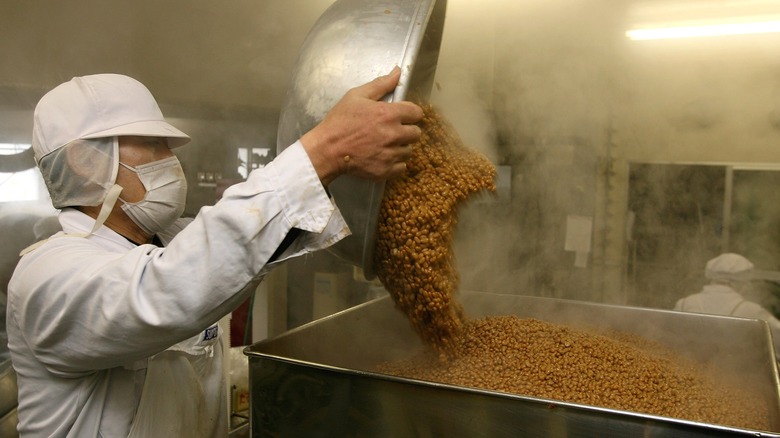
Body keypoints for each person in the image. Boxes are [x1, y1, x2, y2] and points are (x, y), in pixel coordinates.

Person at [6, 70, 422, 437]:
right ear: (83, 160)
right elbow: (166, 291)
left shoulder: (172, 240)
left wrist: (342, 166)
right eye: (153, 144)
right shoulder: (47, 274)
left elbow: (230, 249)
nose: (171, 161)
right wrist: (324, 152)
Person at [674, 253, 780, 357]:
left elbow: (668, 339)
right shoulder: (751, 310)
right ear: (743, 282)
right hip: (732, 371)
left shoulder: (683, 303)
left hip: (684, 368)